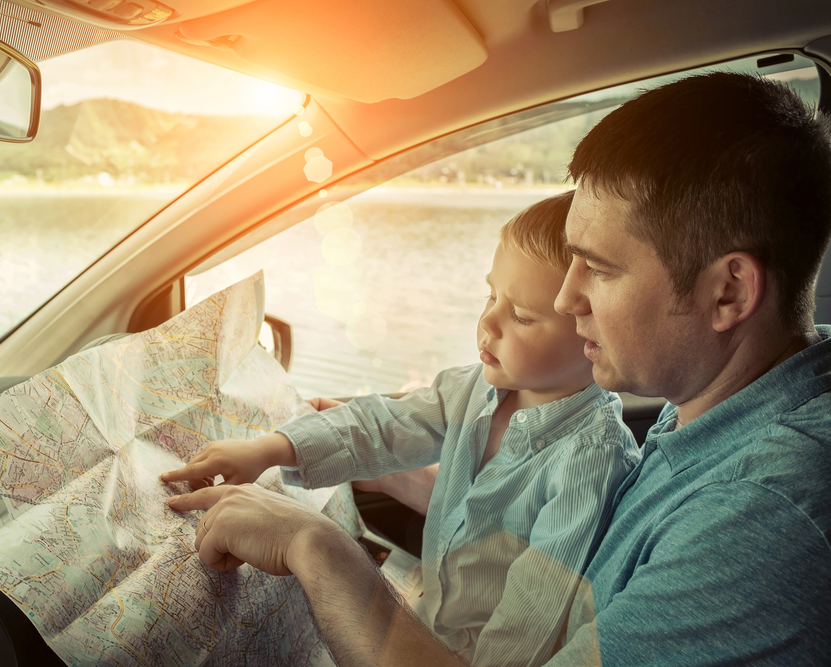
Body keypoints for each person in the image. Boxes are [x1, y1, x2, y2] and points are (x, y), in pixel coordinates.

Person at [167, 71, 831, 666]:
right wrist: (406, 477)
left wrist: (315, 546)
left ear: (729, 293)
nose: (569, 300)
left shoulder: (761, 517)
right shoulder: (712, 420)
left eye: (598, 268)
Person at [163, 191, 639, 665]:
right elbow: (382, 426)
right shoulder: (475, 388)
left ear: (592, 332)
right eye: (491, 295)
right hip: (431, 622)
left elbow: (535, 614)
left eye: (521, 316)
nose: (487, 322)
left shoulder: (591, 460)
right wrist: (272, 448)